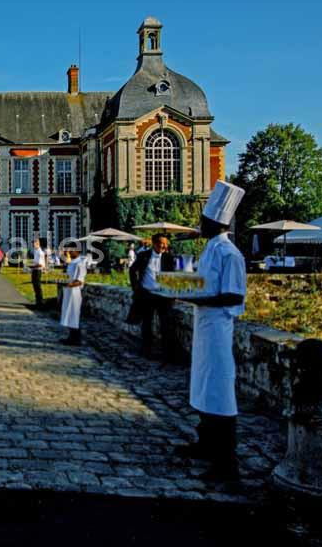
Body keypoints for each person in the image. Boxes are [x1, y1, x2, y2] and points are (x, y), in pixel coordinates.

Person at [171, 180, 247, 482]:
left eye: (203, 219)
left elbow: (233, 296)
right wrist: (183, 288)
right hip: (205, 324)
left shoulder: (230, 254)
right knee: (202, 387)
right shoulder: (211, 250)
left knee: (220, 392)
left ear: (216, 221)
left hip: (219, 327)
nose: (199, 223)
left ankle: (226, 462)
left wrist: (192, 296)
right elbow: (202, 285)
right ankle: (205, 443)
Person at [127, 234, 176, 363]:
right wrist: (135, 287)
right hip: (147, 294)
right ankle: (147, 350)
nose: (164, 246)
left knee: (165, 324)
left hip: (163, 296)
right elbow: (132, 270)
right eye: (162, 243)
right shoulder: (143, 256)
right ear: (154, 243)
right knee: (147, 323)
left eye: (166, 244)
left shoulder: (169, 258)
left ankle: (167, 353)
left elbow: (173, 277)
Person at [59, 240, 86, 346]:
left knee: (74, 314)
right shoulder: (72, 262)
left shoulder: (80, 263)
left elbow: (80, 280)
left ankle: (76, 338)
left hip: (74, 292)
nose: (67, 253)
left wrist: (68, 284)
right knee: (69, 314)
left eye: (69, 251)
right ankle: (71, 336)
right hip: (69, 291)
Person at [29, 238, 46, 306]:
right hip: (35, 270)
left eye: (34, 244)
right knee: (35, 286)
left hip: (37, 271)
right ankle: (38, 301)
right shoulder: (36, 251)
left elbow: (40, 264)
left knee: (37, 286)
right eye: (33, 244)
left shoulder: (40, 252)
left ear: (38, 244)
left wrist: (31, 266)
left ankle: (40, 301)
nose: (33, 245)